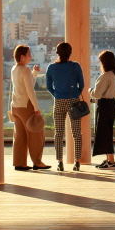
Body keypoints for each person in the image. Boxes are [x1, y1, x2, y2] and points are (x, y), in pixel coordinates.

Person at [46, 41, 85, 172]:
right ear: (70, 53)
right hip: (73, 100)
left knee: (58, 133)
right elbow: (82, 84)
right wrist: (75, 94)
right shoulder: (75, 66)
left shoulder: (51, 67)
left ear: (57, 53)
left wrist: (57, 94)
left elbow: (48, 87)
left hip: (59, 101)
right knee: (76, 133)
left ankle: (60, 162)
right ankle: (77, 161)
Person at [9, 44, 49, 171]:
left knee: (20, 136)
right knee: (36, 134)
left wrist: (35, 73)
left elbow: (26, 83)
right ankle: (37, 162)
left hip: (16, 106)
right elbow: (30, 90)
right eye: (29, 54)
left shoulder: (14, 69)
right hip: (26, 106)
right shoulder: (25, 70)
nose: (31, 56)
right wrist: (36, 108)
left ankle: (19, 163)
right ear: (22, 56)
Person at [90, 50, 115, 169]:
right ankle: (109, 160)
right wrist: (114, 93)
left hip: (104, 105)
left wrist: (90, 90)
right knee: (107, 132)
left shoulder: (105, 76)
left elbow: (96, 94)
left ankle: (111, 161)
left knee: (104, 133)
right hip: (112, 105)